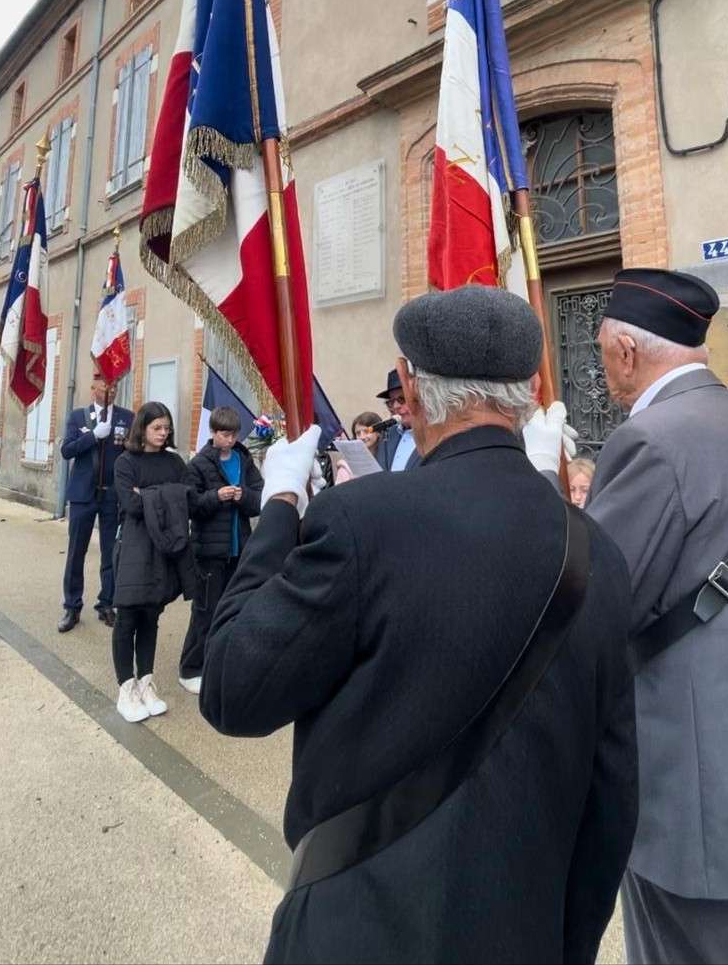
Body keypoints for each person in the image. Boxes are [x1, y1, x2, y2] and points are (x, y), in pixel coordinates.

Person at [200, 285, 637, 965]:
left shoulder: (361, 520)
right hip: (521, 936)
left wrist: (281, 504)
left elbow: (232, 688)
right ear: (528, 386)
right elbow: (611, 803)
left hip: (353, 925)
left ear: (407, 383)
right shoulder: (596, 552)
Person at [525, 266, 728, 965]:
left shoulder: (648, 439)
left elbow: (591, 599)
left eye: (599, 352)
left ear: (623, 351)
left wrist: (533, 500)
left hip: (694, 776)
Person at [112, 402, 196, 723]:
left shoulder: (175, 462)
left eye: (166, 428)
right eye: (157, 428)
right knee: (128, 615)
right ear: (142, 429)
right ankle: (126, 687)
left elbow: (186, 496)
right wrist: (165, 495)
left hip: (165, 547)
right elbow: (131, 505)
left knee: (151, 614)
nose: (163, 434)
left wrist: (148, 494)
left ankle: (146, 681)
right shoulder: (125, 462)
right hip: (135, 545)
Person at [178, 405, 263, 694]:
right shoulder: (199, 464)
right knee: (205, 609)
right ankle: (190, 668)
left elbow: (259, 497)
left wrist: (243, 496)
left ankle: (219, 664)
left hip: (239, 549)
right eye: (224, 434)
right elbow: (192, 506)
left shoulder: (244, 459)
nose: (229, 440)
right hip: (209, 552)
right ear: (213, 432)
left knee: (233, 609)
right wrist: (216, 496)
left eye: (233, 435)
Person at [58, 369, 133, 633]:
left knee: (111, 552)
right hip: (83, 495)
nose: (110, 390)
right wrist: (92, 436)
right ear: (94, 386)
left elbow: (132, 453)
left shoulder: (126, 417)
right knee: (76, 551)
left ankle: (107, 604)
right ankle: (72, 605)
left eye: (114, 386)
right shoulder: (78, 416)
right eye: (105, 385)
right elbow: (67, 450)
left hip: (112, 495)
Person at [375, 369, 421, 471]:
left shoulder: (434, 433)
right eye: (391, 402)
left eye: (402, 399)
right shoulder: (389, 434)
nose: (395, 406)